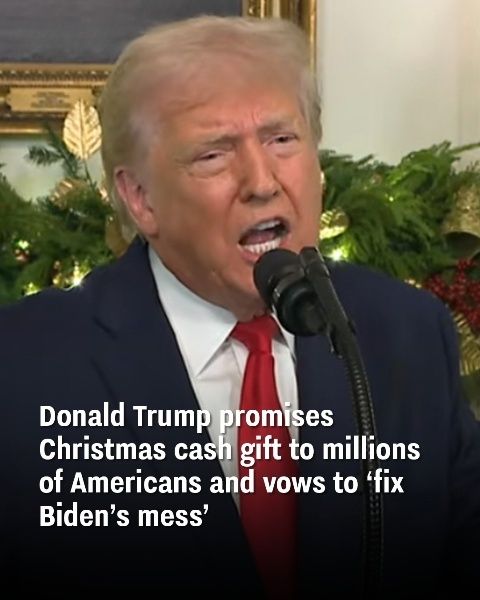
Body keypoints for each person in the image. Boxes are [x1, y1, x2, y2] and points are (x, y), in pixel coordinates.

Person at [1, 15, 479, 600]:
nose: (262, 182)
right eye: (213, 155)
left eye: (282, 140)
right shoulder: (23, 369)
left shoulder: (406, 333)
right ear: (140, 198)